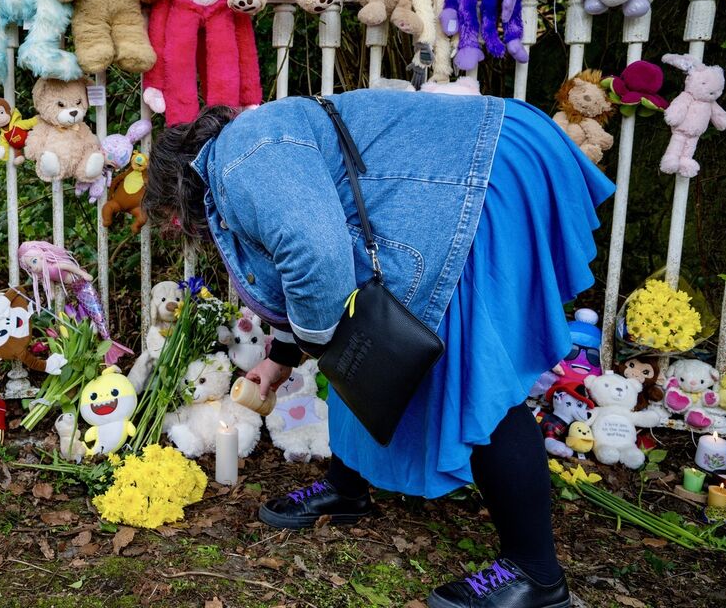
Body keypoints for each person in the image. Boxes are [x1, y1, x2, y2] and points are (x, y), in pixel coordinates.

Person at [144, 90, 613, 608]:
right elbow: (307, 270)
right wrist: (282, 358)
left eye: (172, 218)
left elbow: (314, 255)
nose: (179, 230)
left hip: (484, 172)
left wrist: (318, 340)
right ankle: (348, 487)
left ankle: (538, 575)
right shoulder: (245, 154)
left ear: (182, 184)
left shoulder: (245, 156)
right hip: (467, 171)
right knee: (356, 341)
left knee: (470, 374)